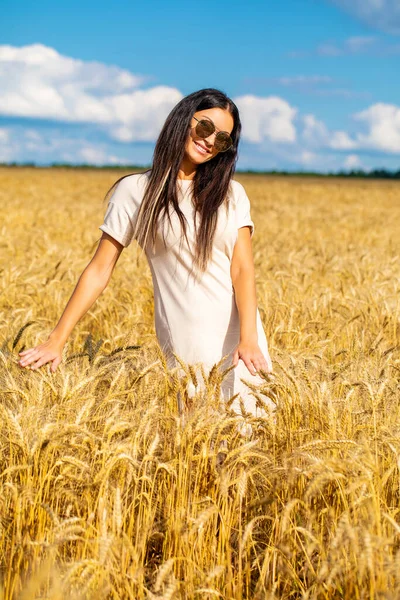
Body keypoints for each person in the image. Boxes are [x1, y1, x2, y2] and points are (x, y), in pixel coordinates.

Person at [18, 88, 273, 416]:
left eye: (222, 139)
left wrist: (249, 338)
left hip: (241, 338)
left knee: (251, 438)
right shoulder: (135, 191)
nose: (210, 141)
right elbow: (99, 269)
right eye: (206, 127)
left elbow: (243, 270)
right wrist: (57, 339)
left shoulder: (232, 194)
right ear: (183, 120)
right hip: (186, 335)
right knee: (198, 441)